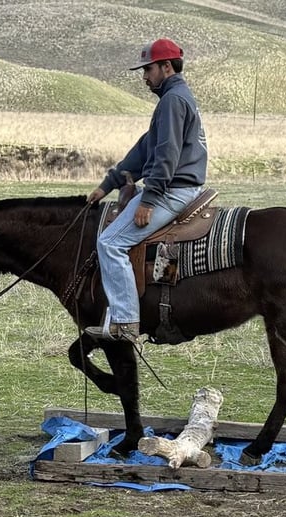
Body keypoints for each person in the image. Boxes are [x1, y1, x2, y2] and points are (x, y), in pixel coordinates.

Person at [84, 38, 208, 344]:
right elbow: (145, 149)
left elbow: (166, 155)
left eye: (148, 69)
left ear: (166, 67)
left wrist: (149, 200)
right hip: (180, 186)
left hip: (171, 191)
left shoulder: (172, 101)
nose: (144, 76)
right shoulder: (177, 98)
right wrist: (108, 184)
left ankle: (126, 322)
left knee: (110, 243)